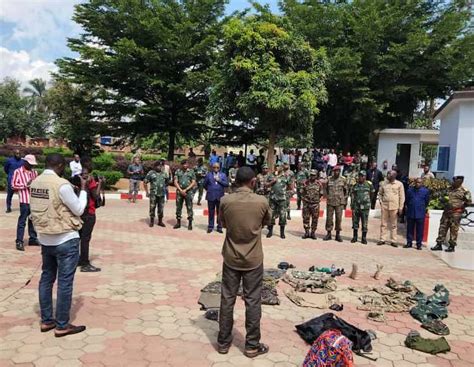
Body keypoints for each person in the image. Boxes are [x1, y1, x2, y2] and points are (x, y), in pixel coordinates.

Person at [30, 153, 88, 337]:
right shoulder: (61, 185)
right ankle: (62, 325)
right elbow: (78, 209)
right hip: (65, 239)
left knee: (46, 279)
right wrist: (84, 190)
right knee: (64, 283)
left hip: (45, 238)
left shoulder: (35, 183)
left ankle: (47, 320)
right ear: (61, 166)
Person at [217, 166, 271, 358]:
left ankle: (223, 343)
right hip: (253, 259)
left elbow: (223, 223)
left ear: (235, 181)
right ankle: (251, 346)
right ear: (253, 182)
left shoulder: (225, 200)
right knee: (253, 301)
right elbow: (266, 222)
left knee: (227, 299)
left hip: (231, 256)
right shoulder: (261, 201)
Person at [432, 176, 472, 253]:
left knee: (454, 229)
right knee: (442, 228)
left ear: (460, 182)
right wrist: (442, 200)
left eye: (456, 181)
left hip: (456, 213)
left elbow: (469, 202)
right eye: (454, 181)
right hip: (446, 212)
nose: (454, 182)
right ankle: (439, 244)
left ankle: (452, 246)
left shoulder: (465, 191)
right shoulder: (449, 189)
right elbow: (442, 196)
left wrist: (461, 207)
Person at [76, 164, 103, 272]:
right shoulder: (91, 182)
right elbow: (96, 196)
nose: (85, 176)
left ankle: (80, 259)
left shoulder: (77, 182)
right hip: (89, 213)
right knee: (85, 239)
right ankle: (85, 264)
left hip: (79, 213)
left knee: (79, 238)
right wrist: (100, 184)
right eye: (84, 174)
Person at [12, 154, 39, 251]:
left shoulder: (34, 172)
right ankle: (19, 241)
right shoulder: (18, 172)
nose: (32, 166)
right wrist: (25, 185)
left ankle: (33, 238)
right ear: (25, 162)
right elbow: (13, 185)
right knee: (22, 221)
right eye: (30, 164)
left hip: (33, 200)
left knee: (32, 220)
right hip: (24, 200)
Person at [377, 170, 405, 247]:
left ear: (394, 176)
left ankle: (393, 240)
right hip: (385, 206)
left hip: (394, 207)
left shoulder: (399, 184)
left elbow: (402, 196)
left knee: (394, 225)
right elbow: (380, 194)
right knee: (383, 224)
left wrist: (401, 207)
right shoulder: (383, 183)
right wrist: (381, 202)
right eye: (388, 174)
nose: (387, 176)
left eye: (389, 174)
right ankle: (382, 239)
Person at [266, 163, 292, 239]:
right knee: (271, 215)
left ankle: (282, 233)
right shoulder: (271, 176)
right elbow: (266, 184)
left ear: (282, 168)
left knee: (283, 215)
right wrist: (272, 182)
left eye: (279, 167)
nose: (277, 168)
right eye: (276, 167)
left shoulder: (286, 176)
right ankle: (270, 232)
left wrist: (286, 194)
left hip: (282, 199)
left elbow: (290, 187)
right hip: (273, 199)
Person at [404, 178, 430, 250]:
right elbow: (407, 200)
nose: (418, 184)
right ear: (415, 182)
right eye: (417, 182)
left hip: (420, 212)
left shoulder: (425, 191)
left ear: (422, 183)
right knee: (410, 229)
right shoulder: (410, 190)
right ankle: (409, 242)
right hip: (411, 212)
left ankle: (419, 244)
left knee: (420, 229)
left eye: (420, 183)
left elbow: (427, 201)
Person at [324, 166, 347, 242]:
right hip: (330, 201)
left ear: (340, 172)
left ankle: (338, 234)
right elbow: (326, 189)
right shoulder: (329, 179)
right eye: (335, 171)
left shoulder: (343, 180)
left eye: (338, 171)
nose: (337, 172)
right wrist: (327, 196)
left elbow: (346, 191)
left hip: (339, 202)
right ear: (333, 171)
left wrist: (344, 201)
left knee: (338, 219)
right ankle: (328, 233)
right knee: (329, 218)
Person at [203, 163, 229, 233]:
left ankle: (219, 227)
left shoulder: (223, 175)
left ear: (219, 168)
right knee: (211, 212)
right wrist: (210, 190)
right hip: (211, 196)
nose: (216, 169)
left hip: (220, 196)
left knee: (220, 212)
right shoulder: (209, 175)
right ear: (212, 168)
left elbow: (226, 184)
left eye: (217, 167)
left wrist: (219, 180)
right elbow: (204, 184)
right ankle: (210, 226)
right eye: (214, 167)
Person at [350, 171, 374, 244]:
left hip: (365, 207)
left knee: (365, 222)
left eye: (362, 176)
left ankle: (364, 238)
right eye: (360, 176)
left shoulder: (369, 185)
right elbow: (352, 195)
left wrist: (368, 202)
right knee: (355, 222)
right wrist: (352, 205)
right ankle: (355, 237)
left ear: (365, 177)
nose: (360, 177)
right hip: (356, 207)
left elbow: (372, 194)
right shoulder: (355, 185)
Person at [144, 161, 169, 228]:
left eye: (161, 166)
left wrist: (165, 190)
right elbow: (145, 182)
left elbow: (167, 182)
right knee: (152, 208)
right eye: (158, 166)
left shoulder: (164, 173)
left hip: (161, 194)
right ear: (155, 166)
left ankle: (160, 221)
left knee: (161, 209)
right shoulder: (151, 173)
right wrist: (147, 192)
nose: (160, 167)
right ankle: (151, 221)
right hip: (153, 194)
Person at [173, 160, 196, 230]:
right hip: (179, 192)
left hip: (188, 192)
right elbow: (175, 181)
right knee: (178, 207)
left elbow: (193, 182)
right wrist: (180, 190)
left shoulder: (191, 172)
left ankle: (190, 223)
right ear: (181, 165)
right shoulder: (178, 171)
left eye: (186, 164)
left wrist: (186, 190)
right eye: (183, 164)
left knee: (189, 207)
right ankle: (178, 222)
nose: (185, 165)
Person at [301, 170, 323, 240]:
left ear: (316, 176)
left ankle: (313, 233)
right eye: (311, 175)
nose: (312, 176)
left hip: (315, 204)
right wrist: (304, 200)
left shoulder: (319, 184)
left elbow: (321, 194)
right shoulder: (305, 183)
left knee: (315, 219)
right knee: (305, 218)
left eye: (313, 175)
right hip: (307, 204)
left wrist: (318, 201)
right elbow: (302, 192)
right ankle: (307, 232)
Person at [3, 148, 23, 213]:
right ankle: (8, 207)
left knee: (21, 195)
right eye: (17, 153)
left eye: (19, 153)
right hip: (11, 180)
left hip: (20, 181)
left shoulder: (23, 161)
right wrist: (10, 175)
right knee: (9, 195)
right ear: (14, 154)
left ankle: (22, 207)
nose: (18, 154)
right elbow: (5, 169)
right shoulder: (9, 161)